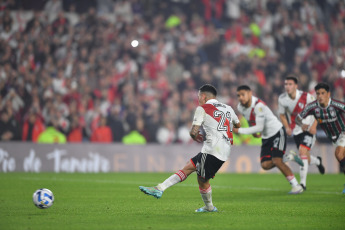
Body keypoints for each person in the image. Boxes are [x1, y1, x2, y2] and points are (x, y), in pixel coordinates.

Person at [139, 84, 240, 212]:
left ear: (203, 97)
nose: (198, 99)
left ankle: (209, 207)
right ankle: (160, 188)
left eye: (198, 96)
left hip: (212, 150)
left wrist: (194, 136)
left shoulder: (202, 108)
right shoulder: (228, 108)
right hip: (224, 149)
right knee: (189, 166)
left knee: (202, 181)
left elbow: (193, 132)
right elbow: (238, 124)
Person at [233, 85, 304, 194]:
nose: (240, 97)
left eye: (243, 94)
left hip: (277, 132)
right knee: (265, 165)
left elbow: (259, 127)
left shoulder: (259, 106)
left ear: (250, 94)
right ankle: (289, 157)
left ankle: (296, 186)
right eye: (238, 95)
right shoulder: (240, 107)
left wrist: (240, 130)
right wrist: (255, 133)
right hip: (266, 136)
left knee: (276, 160)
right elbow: (250, 119)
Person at [296, 83, 345, 192]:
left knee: (339, 153)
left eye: (323, 93)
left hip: (343, 132)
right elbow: (298, 118)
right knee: (340, 157)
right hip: (334, 138)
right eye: (318, 94)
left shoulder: (337, 104)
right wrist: (302, 125)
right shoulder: (312, 107)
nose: (320, 96)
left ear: (328, 94)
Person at [278, 76, 325, 190]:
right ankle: (317, 161)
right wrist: (287, 127)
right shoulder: (282, 99)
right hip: (296, 130)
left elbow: (318, 111)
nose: (287, 87)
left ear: (296, 86)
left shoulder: (307, 97)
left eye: (290, 84)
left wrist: (314, 126)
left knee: (302, 151)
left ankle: (302, 184)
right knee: (305, 157)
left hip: (309, 129)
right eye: (286, 84)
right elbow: (282, 115)